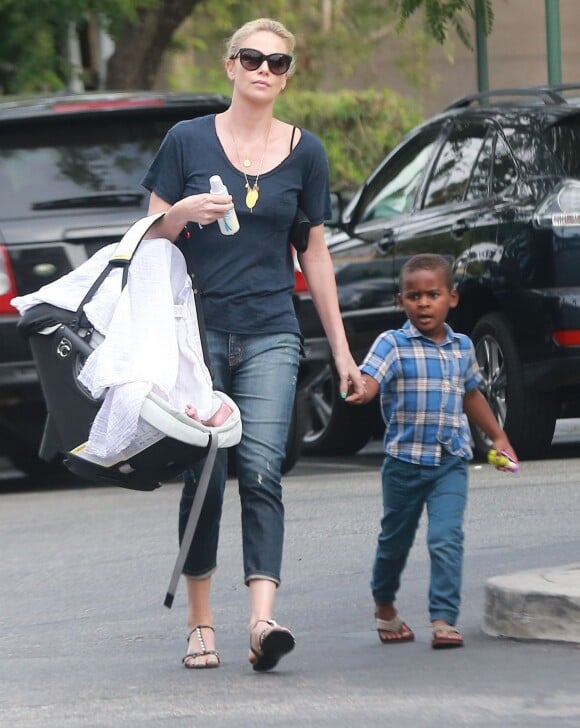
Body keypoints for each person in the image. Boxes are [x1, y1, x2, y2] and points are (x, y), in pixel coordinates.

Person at [141, 17, 364, 670]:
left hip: (272, 332)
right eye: (252, 58)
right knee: (205, 477)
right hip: (198, 334)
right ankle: (201, 620)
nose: (265, 69)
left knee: (263, 471)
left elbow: (315, 256)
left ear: (288, 75)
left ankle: (263, 622)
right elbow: (147, 236)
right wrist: (181, 214)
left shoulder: (306, 153)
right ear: (230, 67)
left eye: (279, 62)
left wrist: (344, 352)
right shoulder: (186, 141)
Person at [347, 253, 518, 649]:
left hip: (450, 461)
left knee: (446, 538)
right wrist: (360, 390)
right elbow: (370, 380)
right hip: (404, 464)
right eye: (414, 296)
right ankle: (385, 607)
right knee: (394, 542)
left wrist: (498, 436)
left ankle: (443, 619)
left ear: (451, 299)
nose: (423, 303)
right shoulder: (392, 343)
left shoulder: (461, 347)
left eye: (433, 294)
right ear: (401, 301)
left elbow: (471, 394)